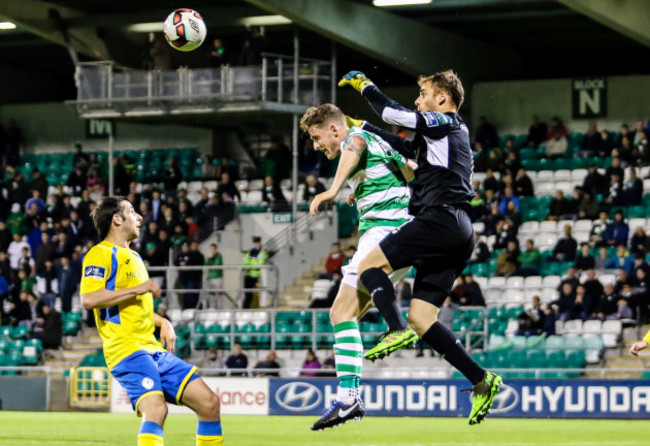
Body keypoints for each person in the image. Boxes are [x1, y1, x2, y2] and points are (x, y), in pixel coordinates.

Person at [339, 69, 501, 425]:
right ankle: (481, 380)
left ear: (442, 98)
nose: (417, 100)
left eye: (423, 93)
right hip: (459, 230)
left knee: (368, 266)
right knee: (424, 319)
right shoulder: (445, 136)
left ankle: (395, 329)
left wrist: (365, 86)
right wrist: (365, 128)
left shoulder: (443, 121)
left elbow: (394, 114)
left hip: (439, 219)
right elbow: (407, 146)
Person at [301, 102, 416, 430]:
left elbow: (357, 143)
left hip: (383, 231)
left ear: (334, 129)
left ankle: (350, 396)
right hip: (401, 232)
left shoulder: (357, 137)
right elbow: (409, 168)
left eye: (316, 136)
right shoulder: (379, 146)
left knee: (339, 313)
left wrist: (334, 190)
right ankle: (349, 397)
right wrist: (363, 187)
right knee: (343, 314)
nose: (316, 145)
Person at [79, 196, 224, 446]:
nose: (140, 217)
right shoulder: (99, 253)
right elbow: (89, 299)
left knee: (209, 403)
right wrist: (139, 289)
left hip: (151, 349)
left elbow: (133, 308)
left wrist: (162, 322)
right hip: (126, 351)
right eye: (132, 212)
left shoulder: (134, 258)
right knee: (156, 410)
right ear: (116, 219)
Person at [242, 236, 268, 309]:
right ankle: (245, 309)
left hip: (255, 275)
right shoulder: (250, 252)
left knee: (251, 294)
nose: (256, 244)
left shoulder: (262, 253)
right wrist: (247, 267)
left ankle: (248, 308)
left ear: (260, 243)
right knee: (247, 293)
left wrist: (251, 267)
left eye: (257, 243)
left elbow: (260, 263)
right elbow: (245, 262)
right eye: (255, 243)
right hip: (248, 274)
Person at [204, 244, 224, 309]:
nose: (212, 250)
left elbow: (216, 266)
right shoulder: (209, 257)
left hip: (218, 277)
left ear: (216, 249)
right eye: (211, 249)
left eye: (213, 249)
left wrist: (210, 264)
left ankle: (219, 307)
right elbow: (206, 265)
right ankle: (212, 306)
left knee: (219, 293)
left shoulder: (219, 256)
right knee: (212, 293)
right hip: (211, 277)